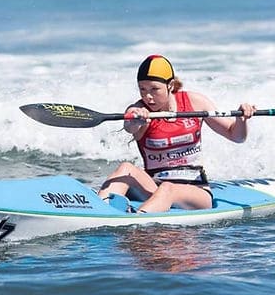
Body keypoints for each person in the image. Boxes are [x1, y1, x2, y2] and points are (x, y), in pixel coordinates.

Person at [98, 54, 256, 213]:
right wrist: (136, 120)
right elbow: (129, 126)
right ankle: (99, 210)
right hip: (154, 187)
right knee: (126, 168)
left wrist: (241, 120)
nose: (148, 97)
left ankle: (135, 222)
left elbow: (235, 136)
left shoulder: (195, 103)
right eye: (142, 89)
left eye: (154, 89)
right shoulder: (138, 110)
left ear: (170, 85)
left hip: (196, 191)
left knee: (168, 188)